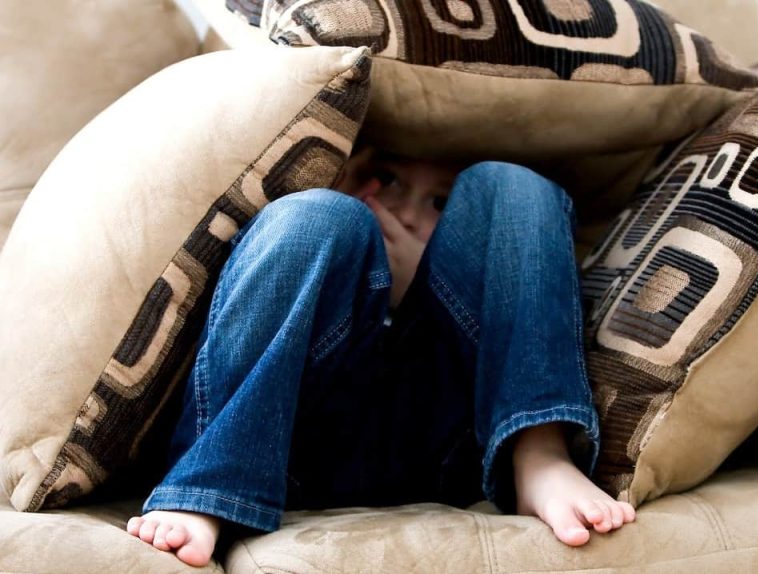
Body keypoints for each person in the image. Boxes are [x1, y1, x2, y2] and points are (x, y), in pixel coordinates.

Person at [125, 144, 636, 567]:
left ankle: (537, 449)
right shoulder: (342, 227)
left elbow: (491, 265)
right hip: (293, 440)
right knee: (315, 216)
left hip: (445, 443)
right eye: (388, 181)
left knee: (513, 183)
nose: (409, 213)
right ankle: (210, 486)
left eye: (441, 202)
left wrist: (422, 282)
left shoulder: (472, 251)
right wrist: (360, 253)